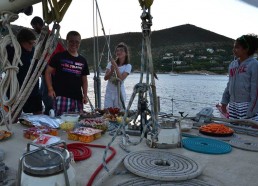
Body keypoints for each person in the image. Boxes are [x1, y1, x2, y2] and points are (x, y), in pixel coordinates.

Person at [45, 31, 89, 116]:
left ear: (80, 43)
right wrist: (50, 89)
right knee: (60, 123)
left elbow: (84, 81)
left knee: (77, 125)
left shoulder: (83, 60)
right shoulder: (58, 56)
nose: (74, 44)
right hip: (61, 97)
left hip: (77, 99)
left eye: (77, 42)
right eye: (71, 41)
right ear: (67, 41)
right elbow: (47, 72)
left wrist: (85, 95)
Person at [30, 16, 65, 115]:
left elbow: (57, 52)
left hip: (49, 69)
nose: (34, 29)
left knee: (46, 92)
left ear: (37, 25)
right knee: (43, 92)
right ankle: (50, 109)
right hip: (47, 68)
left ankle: (50, 110)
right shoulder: (49, 36)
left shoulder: (49, 37)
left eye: (34, 27)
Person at [221, 34, 258, 121]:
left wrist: (251, 110)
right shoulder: (233, 65)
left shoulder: (254, 64)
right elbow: (229, 84)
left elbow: (256, 91)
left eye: (237, 47)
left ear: (246, 49)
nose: (234, 50)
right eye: (234, 47)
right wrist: (224, 102)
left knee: (247, 132)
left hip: (247, 105)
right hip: (233, 105)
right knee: (234, 130)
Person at [7, 28, 43, 116]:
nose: (32, 45)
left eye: (33, 43)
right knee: (14, 115)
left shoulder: (34, 52)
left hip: (33, 89)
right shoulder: (12, 50)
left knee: (38, 114)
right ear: (22, 41)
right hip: (16, 89)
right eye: (30, 43)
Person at [104, 42, 132, 109]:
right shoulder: (110, 63)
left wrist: (116, 67)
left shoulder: (128, 66)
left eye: (121, 50)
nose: (119, 52)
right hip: (109, 93)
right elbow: (105, 78)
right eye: (117, 50)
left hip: (119, 93)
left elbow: (121, 79)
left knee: (119, 114)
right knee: (107, 113)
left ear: (126, 53)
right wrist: (111, 71)